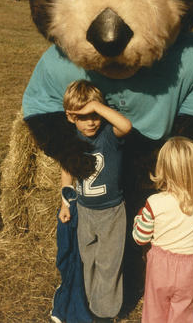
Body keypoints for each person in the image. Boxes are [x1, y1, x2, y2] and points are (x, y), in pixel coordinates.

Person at [132, 136, 193, 323]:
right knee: (184, 311)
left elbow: (140, 238)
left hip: (160, 264)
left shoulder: (154, 203)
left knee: (155, 309)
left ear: (162, 169)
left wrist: (138, 218)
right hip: (190, 267)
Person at [59, 80, 132, 322]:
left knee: (109, 264)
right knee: (87, 260)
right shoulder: (71, 140)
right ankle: (90, 305)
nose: (91, 122)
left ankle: (105, 313)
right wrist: (65, 202)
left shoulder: (110, 135)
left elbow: (126, 125)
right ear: (71, 118)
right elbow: (67, 170)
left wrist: (96, 107)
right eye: (83, 117)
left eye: (94, 115)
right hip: (85, 210)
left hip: (111, 212)